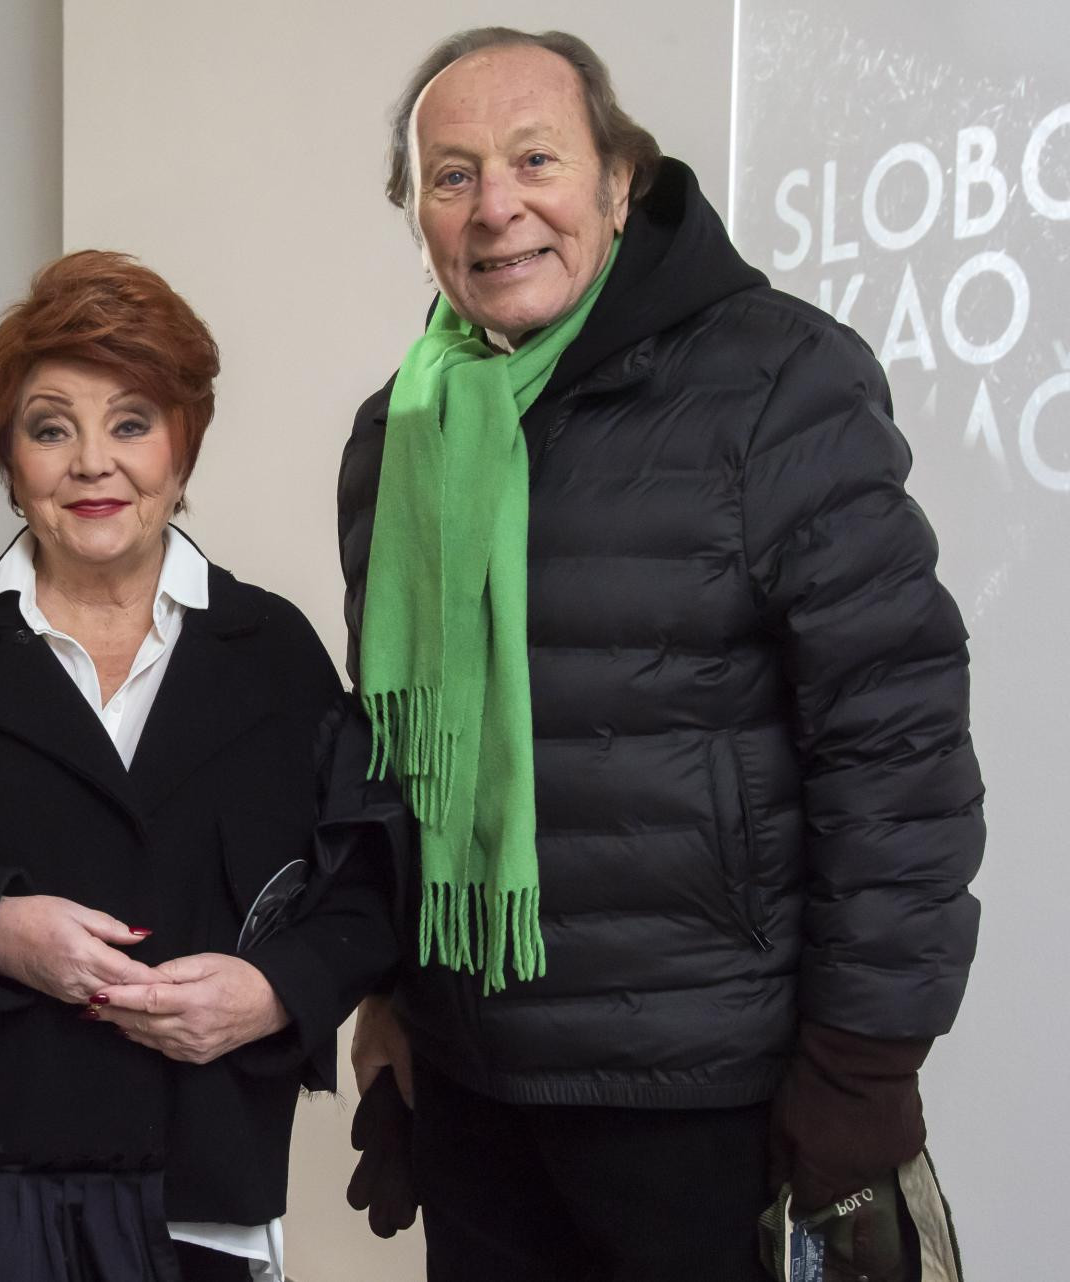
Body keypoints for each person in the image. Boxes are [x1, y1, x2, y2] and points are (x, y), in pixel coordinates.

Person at [336, 28, 984, 1282]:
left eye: (536, 159)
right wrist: (389, 1001)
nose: (497, 206)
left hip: (709, 1099)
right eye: (453, 175)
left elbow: (896, 742)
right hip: (472, 1090)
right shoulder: (399, 433)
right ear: (416, 216)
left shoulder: (777, 381)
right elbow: (399, 761)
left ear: (621, 180)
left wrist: (863, 1066)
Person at [0, 250, 397, 1282]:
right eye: (50, 428)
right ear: (9, 458)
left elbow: (367, 886)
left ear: (183, 446)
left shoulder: (273, 654)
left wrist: (273, 992)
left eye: (131, 423)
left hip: (201, 1193)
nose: (91, 464)